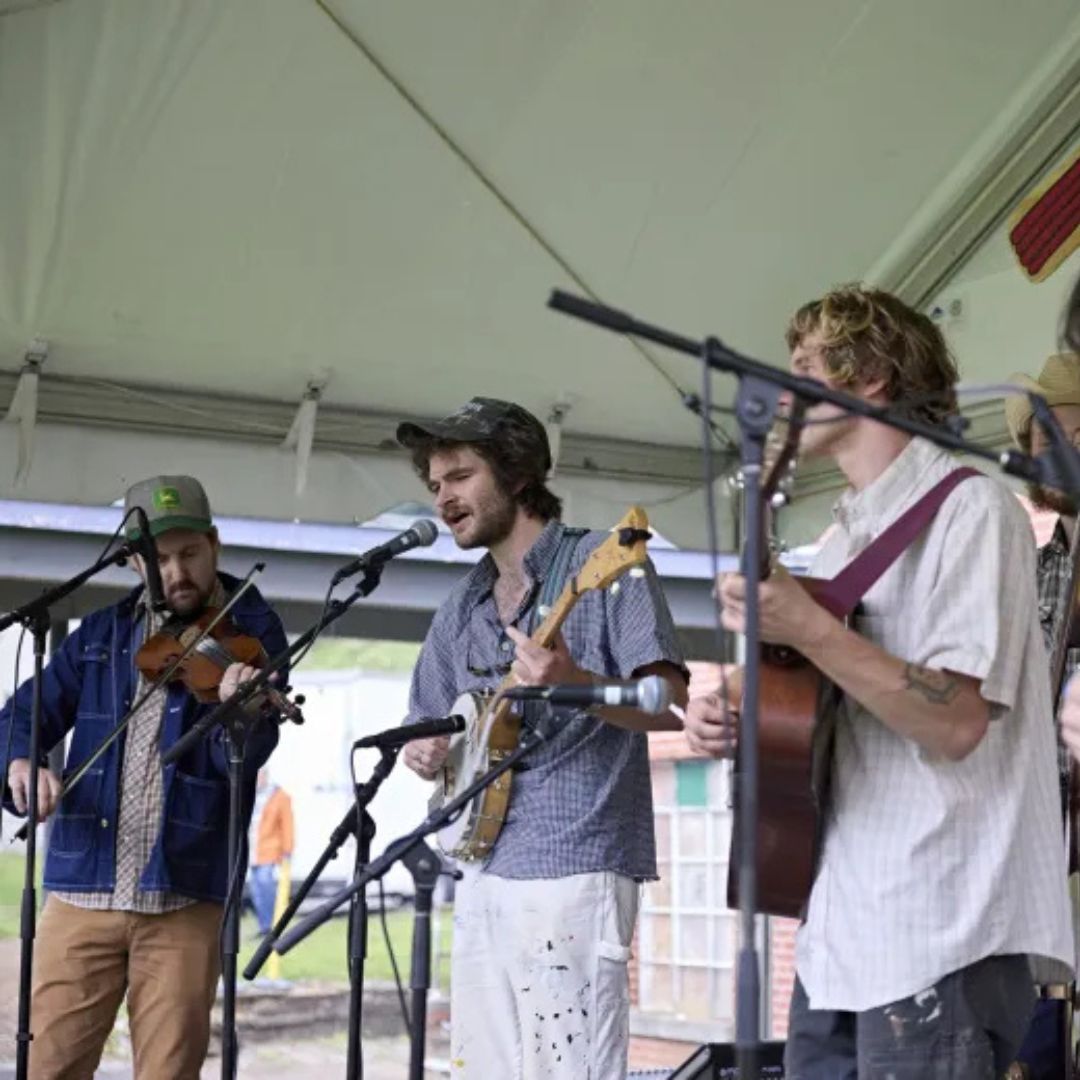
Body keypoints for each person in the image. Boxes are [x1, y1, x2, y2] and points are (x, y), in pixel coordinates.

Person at [685, 285, 1073, 1078]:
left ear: (871, 376)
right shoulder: (842, 541)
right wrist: (736, 707)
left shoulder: (974, 510)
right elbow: (822, 696)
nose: (783, 391)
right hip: (840, 935)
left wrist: (807, 628)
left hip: (941, 935)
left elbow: (957, 721)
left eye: (805, 367)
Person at [396, 397, 689, 1079]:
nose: (442, 498)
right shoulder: (462, 604)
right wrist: (423, 751)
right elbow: (426, 726)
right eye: (435, 484)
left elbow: (668, 705)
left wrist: (575, 682)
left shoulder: (603, 563)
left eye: (460, 476)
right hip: (480, 870)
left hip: (575, 863)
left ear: (518, 472)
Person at [0, 475, 287, 1080]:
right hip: (82, 887)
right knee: (48, 1066)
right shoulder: (99, 635)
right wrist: (20, 761)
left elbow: (241, 759)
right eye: (160, 559)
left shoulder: (251, 632)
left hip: (184, 890)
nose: (177, 572)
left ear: (214, 545)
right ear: (134, 561)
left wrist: (238, 712)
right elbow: (23, 714)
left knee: (167, 1073)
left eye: (190, 553)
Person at [248, 767, 294, 935]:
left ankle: (272, 926)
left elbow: (287, 825)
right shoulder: (251, 795)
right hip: (253, 852)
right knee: (256, 892)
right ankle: (264, 926)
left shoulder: (280, 797)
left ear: (265, 776)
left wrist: (288, 850)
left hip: (269, 851)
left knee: (266, 887)